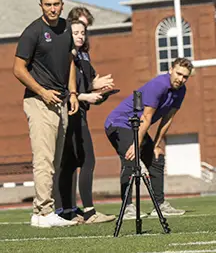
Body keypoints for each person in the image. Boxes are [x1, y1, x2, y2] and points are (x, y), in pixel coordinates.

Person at [13, 0, 80, 228]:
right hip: (38, 101)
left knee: (54, 160)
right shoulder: (33, 32)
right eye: (48, 4)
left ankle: (39, 213)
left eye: (56, 4)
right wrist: (42, 92)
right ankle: (44, 213)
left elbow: (70, 62)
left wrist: (72, 92)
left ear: (63, 4)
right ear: (41, 5)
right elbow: (18, 69)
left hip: (60, 101)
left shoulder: (66, 30)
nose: (52, 8)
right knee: (43, 159)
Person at [104, 58, 193, 219]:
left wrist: (157, 144)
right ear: (171, 69)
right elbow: (147, 116)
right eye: (178, 74)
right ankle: (127, 207)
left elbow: (168, 119)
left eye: (185, 76)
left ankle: (160, 205)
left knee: (157, 159)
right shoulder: (158, 85)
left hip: (138, 127)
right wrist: (136, 145)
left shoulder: (181, 91)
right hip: (118, 123)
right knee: (131, 158)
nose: (181, 79)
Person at [58, 20, 116, 224]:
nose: (80, 36)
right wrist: (85, 96)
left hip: (80, 113)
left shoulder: (83, 57)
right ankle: (84, 211)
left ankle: (70, 211)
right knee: (83, 161)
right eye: (76, 33)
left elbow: (86, 86)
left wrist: (98, 90)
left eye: (83, 32)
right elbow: (61, 91)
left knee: (73, 162)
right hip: (68, 114)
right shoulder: (64, 57)